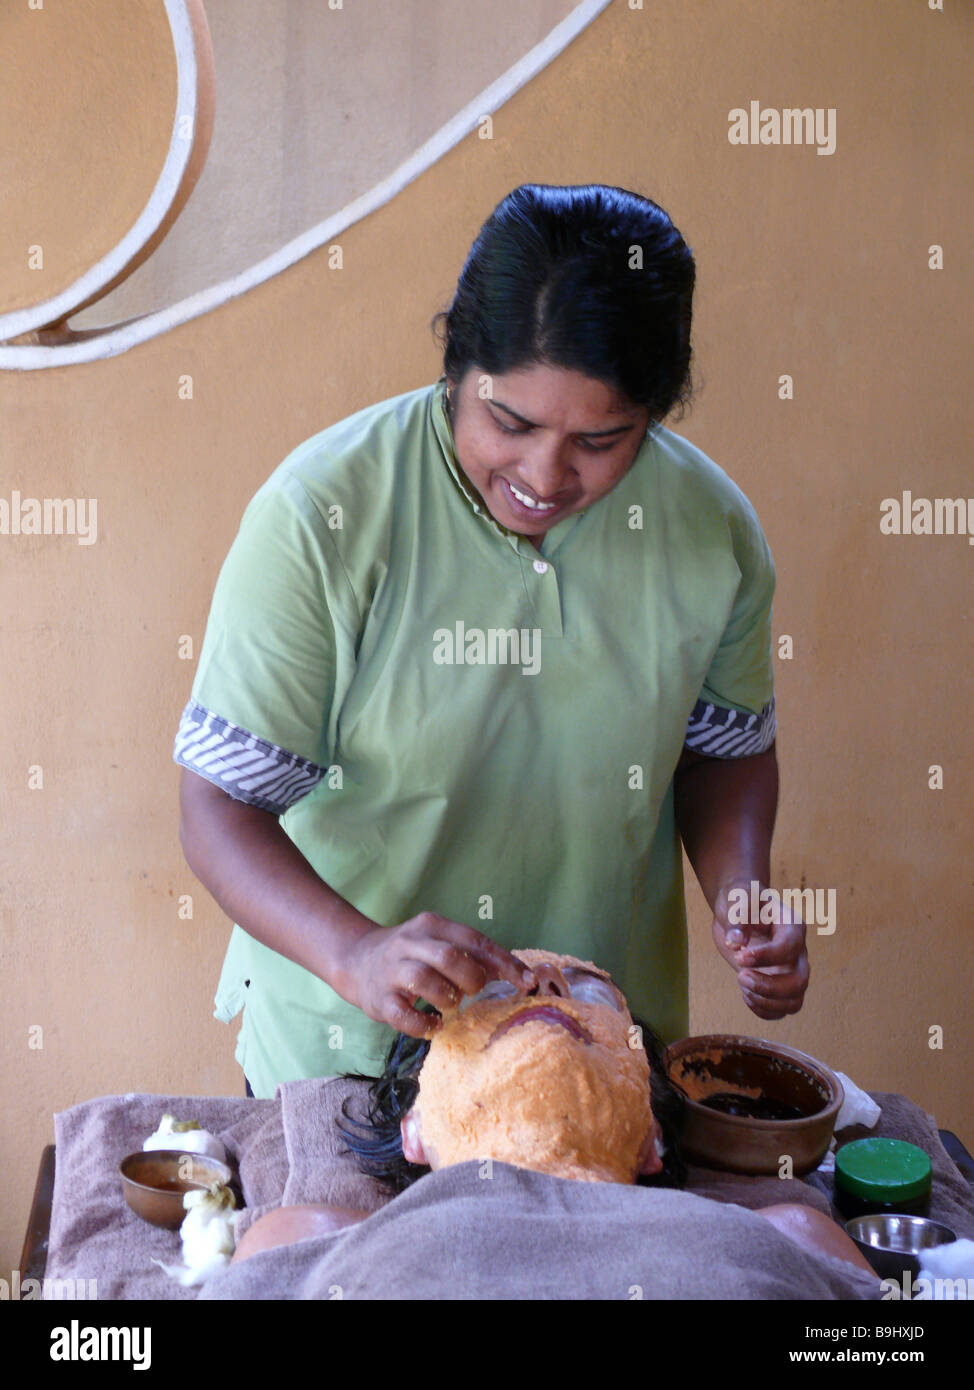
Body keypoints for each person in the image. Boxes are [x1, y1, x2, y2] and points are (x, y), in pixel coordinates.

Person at [174, 183, 808, 1099]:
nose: (545, 475)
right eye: (509, 423)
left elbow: (724, 754)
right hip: (351, 1058)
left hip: (595, 1050)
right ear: (453, 370)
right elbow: (221, 809)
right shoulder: (324, 514)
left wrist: (742, 890)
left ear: (658, 411)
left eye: (602, 438)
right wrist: (357, 954)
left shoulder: (711, 531)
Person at [218, 951, 877, 1301]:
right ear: (415, 1129)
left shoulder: (794, 1233)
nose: (547, 991)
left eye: (592, 998)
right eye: (493, 997)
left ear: (652, 1138)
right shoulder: (306, 1241)